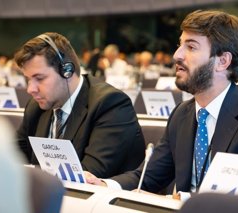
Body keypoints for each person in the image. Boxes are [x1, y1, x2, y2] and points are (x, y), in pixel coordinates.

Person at [85, 10, 238, 199]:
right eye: (180, 45)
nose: (177, 55)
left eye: (191, 47)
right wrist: (105, 185)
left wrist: (175, 199)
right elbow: (149, 175)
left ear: (222, 61)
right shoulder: (182, 114)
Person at [14, 32, 145, 178]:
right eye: (28, 79)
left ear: (67, 71)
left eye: (39, 78)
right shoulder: (36, 106)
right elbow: (12, 158)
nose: (30, 89)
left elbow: (86, 177)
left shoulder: (110, 104)